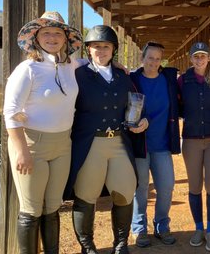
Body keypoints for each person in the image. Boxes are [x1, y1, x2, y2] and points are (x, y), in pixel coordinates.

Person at [3, 11, 83, 254]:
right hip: (32, 145)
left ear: (65, 39)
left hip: (62, 145)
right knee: (31, 209)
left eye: (57, 32)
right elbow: (10, 112)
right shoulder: (28, 69)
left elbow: (95, 64)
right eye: (46, 32)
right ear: (36, 37)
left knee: (52, 207)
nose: (52, 37)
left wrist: (117, 65)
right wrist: (22, 152)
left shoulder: (71, 65)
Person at [63, 25, 148, 254]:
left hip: (119, 142)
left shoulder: (123, 76)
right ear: (88, 50)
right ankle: (87, 247)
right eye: (96, 46)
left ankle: (120, 244)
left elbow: (136, 106)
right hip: (91, 143)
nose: (101, 50)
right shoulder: (78, 75)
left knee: (124, 192)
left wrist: (143, 121)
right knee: (85, 195)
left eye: (106, 46)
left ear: (114, 50)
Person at [129, 41, 181, 248]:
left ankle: (161, 224)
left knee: (166, 186)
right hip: (140, 143)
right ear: (142, 59)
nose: (153, 62)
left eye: (158, 59)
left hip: (162, 143)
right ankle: (139, 228)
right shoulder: (132, 80)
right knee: (141, 188)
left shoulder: (168, 80)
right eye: (150, 58)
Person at [178, 42, 210, 252]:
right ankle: (198, 227)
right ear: (190, 58)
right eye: (196, 56)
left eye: (203, 56)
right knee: (195, 186)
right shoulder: (183, 80)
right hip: (191, 139)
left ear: (208, 58)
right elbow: (176, 105)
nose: (199, 59)